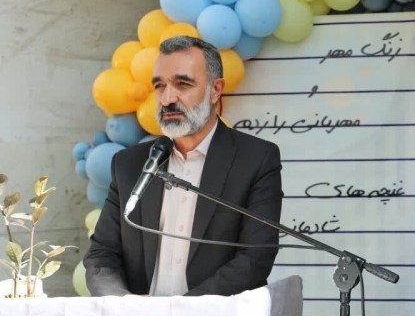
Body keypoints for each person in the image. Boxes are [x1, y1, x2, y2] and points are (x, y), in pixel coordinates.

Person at [83, 35, 283, 296]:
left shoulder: (255, 159)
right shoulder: (130, 164)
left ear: (215, 89)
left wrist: (180, 311)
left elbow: (254, 259)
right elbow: (101, 256)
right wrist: (125, 304)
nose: (167, 98)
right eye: (159, 86)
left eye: (182, 84)